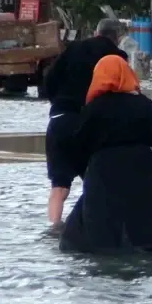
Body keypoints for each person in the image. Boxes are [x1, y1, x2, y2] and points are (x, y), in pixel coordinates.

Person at [59, 55, 152, 254]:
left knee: (100, 229)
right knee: (149, 227)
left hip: (104, 170)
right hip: (140, 169)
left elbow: (77, 145)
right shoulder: (143, 104)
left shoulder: (94, 107)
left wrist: (85, 172)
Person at [43, 18, 128, 228]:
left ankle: (54, 227)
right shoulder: (118, 58)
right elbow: (122, 94)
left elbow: (49, 81)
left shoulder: (73, 49)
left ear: (96, 32)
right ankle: (94, 228)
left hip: (61, 119)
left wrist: (59, 102)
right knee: (97, 181)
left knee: (59, 186)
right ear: (118, 38)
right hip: (92, 124)